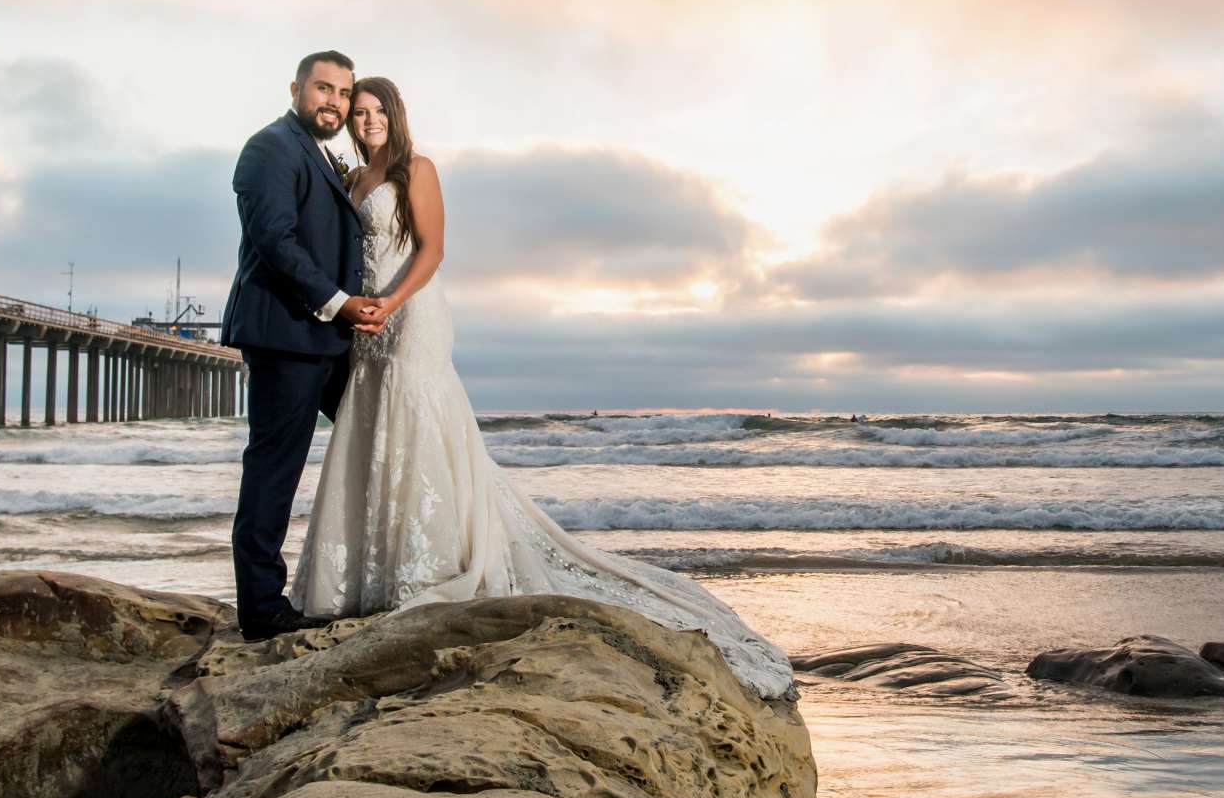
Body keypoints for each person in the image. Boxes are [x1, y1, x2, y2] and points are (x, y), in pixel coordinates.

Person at [294, 76, 793, 698]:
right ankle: (370, 571)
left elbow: (433, 250)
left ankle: (426, 566)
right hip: (368, 321)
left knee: (419, 417)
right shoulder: (352, 178)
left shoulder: (414, 169)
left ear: (394, 115)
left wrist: (392, 301)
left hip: (412, 312)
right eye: (359, 112)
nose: (367, 121)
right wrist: (354, 309)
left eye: (376, 111)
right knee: (375, 423)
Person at [218, 50, 379, 637]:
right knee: (273, 470)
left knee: (384, 434)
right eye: (323, 89)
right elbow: (275, 241)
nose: (334, 101)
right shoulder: (270, 149)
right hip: (286, 335)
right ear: (296, 89)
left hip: (327, 338)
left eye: (343, 92)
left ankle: (383, 568)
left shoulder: (318, 153)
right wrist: (339, 302)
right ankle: (261, 609)